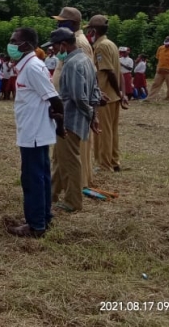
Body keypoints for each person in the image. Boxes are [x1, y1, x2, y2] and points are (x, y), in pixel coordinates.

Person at [5, 27, 64, 238]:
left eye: (14, 41)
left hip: (34, 132)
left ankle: (36, 225)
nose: (11, 45)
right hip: (33, 130)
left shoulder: (32, 68)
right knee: (41, 176)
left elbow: (55, 99)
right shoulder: (28, 66)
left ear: (27, 45)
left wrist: (61, 126)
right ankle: (43, 217)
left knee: (33, 179)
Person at [45, 28, 101, 213]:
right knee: (61, 159)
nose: (53, 50)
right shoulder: (86, 60)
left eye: (55, 46)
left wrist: (90, 114)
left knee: (70, 161)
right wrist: (93, 115)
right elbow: (95, 91)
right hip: (77, 120)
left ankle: (73, 201)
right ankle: (51, 194)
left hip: (70, 120)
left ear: (63, 45)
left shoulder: (72, 64)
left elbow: (79, 97)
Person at [51, 6, 96, 188]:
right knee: (61, 154)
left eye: (62, 22)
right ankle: (57, 188)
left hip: (74, 110)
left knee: (73, 153)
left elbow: (85, 79)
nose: (58, 25)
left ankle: (78, 186)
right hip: (65, 106)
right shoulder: (68, 41)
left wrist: (91, 112)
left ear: (73, 23)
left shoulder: (79, 43)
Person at [85, 15, 126, 173]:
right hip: (113, 96)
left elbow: (109, 71)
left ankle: (104, 164)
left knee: (103, 132)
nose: (88, 33)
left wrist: (117, 91)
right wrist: (120, 93)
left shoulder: (101, 46)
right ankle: (114, 161)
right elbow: (118, 71)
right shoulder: (111, 44)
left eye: (89, 30)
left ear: (94, 30)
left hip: (105, 97)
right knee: (112, 131)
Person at [146, 35, 169, 101]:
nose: (166, 40)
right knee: (155, 84)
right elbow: (157, 58)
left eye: (168, 39)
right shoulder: (160, 48)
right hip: (160, 70)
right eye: (166, 39)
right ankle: (150, 98)